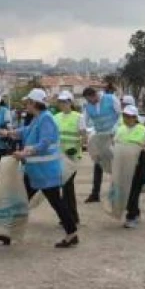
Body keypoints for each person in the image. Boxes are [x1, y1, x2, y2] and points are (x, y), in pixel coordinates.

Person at [0, 88, 80, 248]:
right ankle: (6, 233)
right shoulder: (38, 118)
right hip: (37, 171)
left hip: (46, 172)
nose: (25, 105)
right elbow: (26, 131)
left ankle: (72, 233)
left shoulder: (46, 119)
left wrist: (25, 152)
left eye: (27, 102)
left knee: (56, 203)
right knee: (21, 200)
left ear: (34, 103)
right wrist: (9, 133)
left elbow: (45, 142)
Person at [54, 91, 87, 226]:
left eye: (65, 102)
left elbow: (83, 135)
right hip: (58, 156)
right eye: (61, 102)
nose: (62, 104)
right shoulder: (55, 117)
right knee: (63, 187)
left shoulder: (79, 117)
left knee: (67, 186)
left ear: (71, 103)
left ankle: (71, 217)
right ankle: (68, 216)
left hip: (72, 156)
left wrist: (78, 146)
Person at [82, 86, 121, 203]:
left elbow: (120, 115)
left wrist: (115, 130)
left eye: (90, 100)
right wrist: (88, 132)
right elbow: (85, 121)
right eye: (87, 101)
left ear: (95, 95)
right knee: (98, 164)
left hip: (114, 136)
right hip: (100, 136)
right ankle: (95, 193)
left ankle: (117, 192)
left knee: (115, 165)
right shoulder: (88, 106)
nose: (89, 103)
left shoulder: (111, 99)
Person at [116, 105, 145, 229]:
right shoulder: (120, 129)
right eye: (125, 116)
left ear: (135, 117)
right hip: (125, 163)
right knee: (127, 190)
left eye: (129, 116)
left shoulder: (142, 129)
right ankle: (135, 213)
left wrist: (139, 144)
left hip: (139, 164)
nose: (127, 118)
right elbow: (116, 143)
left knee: (134, 191)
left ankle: (131, 216)